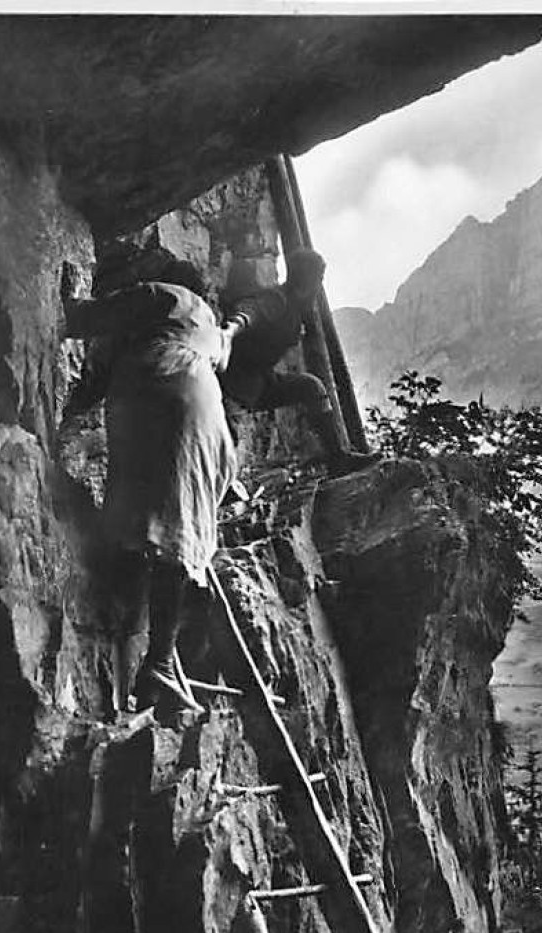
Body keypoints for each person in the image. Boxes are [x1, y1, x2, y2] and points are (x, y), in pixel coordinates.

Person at [60, 261, 237, 715]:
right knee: (178, 527)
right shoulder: (211, 333)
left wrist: (68, 301)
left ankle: (149, 651)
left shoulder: (175, 296)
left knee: (147, 509)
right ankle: (158, 658)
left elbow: (89, 317)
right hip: (209, 421)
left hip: (161, 394)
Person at [219, 249, 381, 476]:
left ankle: (338, 458)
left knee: (311, 387)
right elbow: (248, 312)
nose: (318, 288)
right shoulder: (277, 300)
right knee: (227, 446)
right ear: (307, 283)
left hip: (260, 380)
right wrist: (230, 331)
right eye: (318, 281)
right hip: (237, 384)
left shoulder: (295, 309)